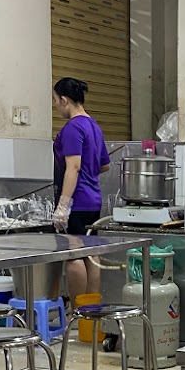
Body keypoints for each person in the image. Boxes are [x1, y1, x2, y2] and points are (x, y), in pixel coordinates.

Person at [52, 77, 110, 301]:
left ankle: (77, 312)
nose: (56, 106)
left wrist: (63, 205)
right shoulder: (93, 126)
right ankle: (90, 312)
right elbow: (103, 165)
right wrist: (88, 171)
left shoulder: (73, 128)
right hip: (93, 200)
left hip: (77, 202)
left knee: (74, 255)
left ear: (64, 100)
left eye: (56, 101)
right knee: (91, 253)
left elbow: (73, 167)